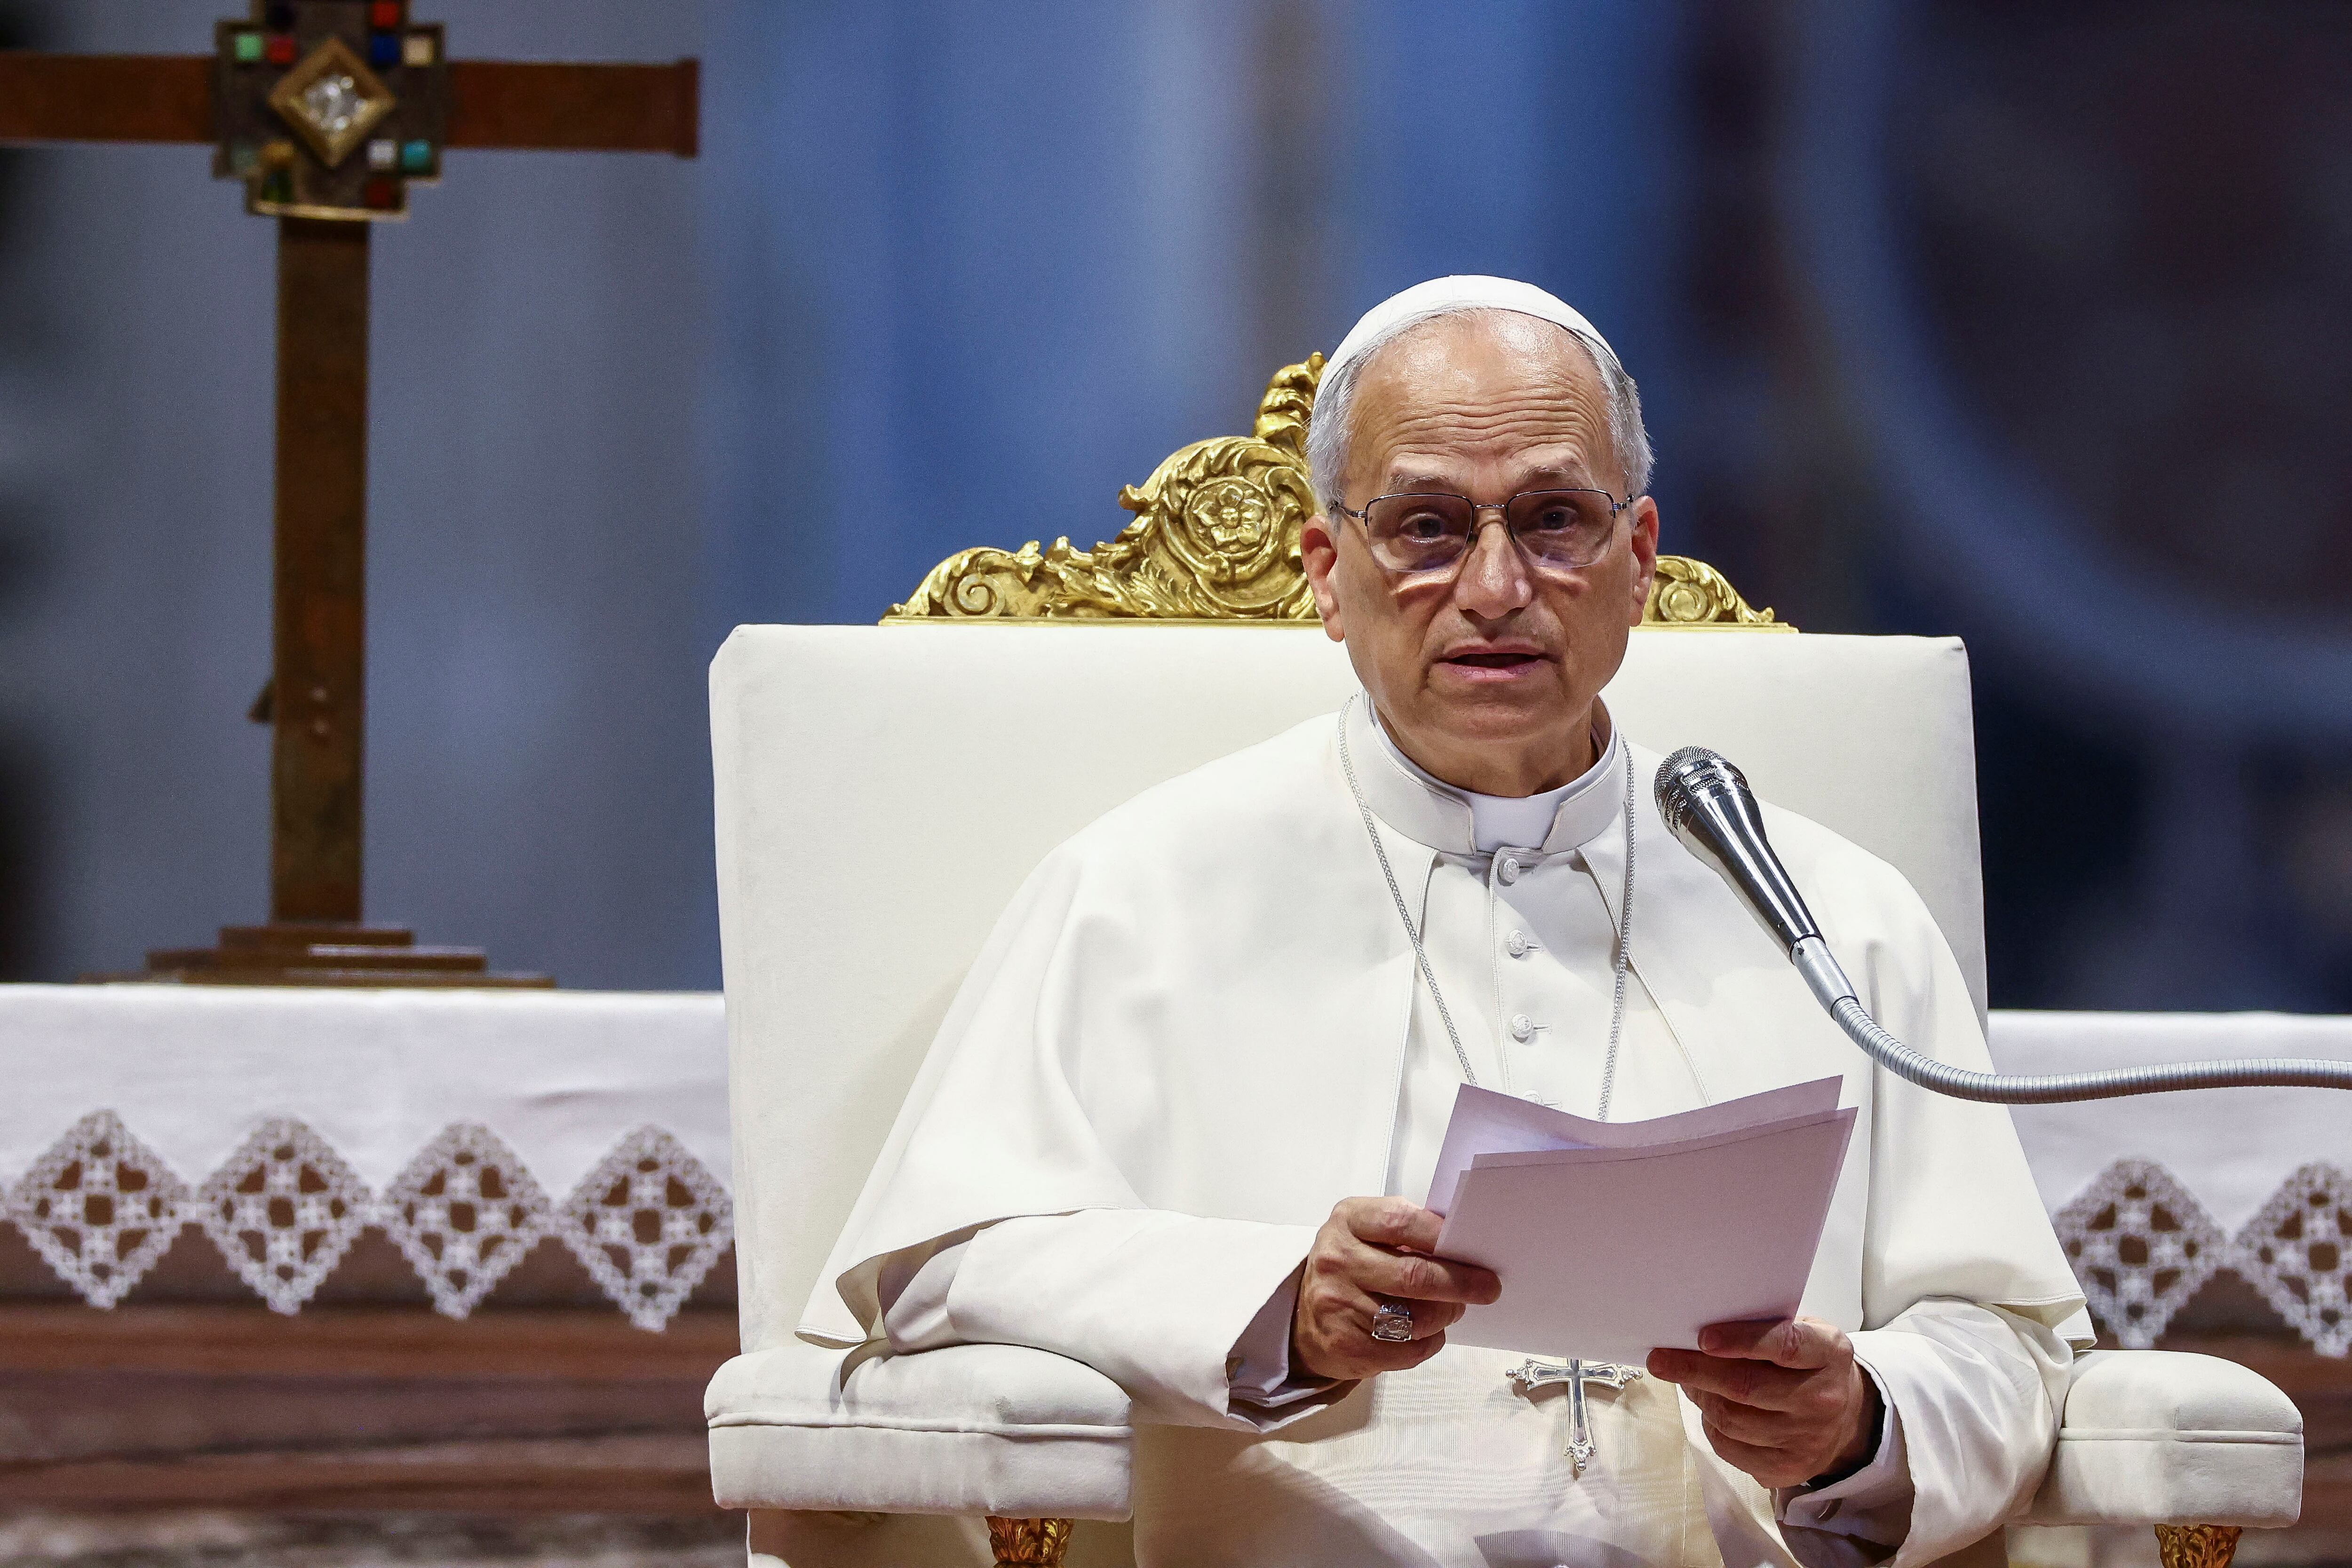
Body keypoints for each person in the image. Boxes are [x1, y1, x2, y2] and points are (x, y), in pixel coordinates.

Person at [803, 276, 2088, 1568]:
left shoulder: (1836, 919)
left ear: (1637, 560)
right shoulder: (1139, 892)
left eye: (1553, 522)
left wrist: (1858, 1424)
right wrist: (1272, 1309)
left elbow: (2006, 1336)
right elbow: (945, 1267)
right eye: (1424, 525)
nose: (1494, 586)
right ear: (1326, 571)